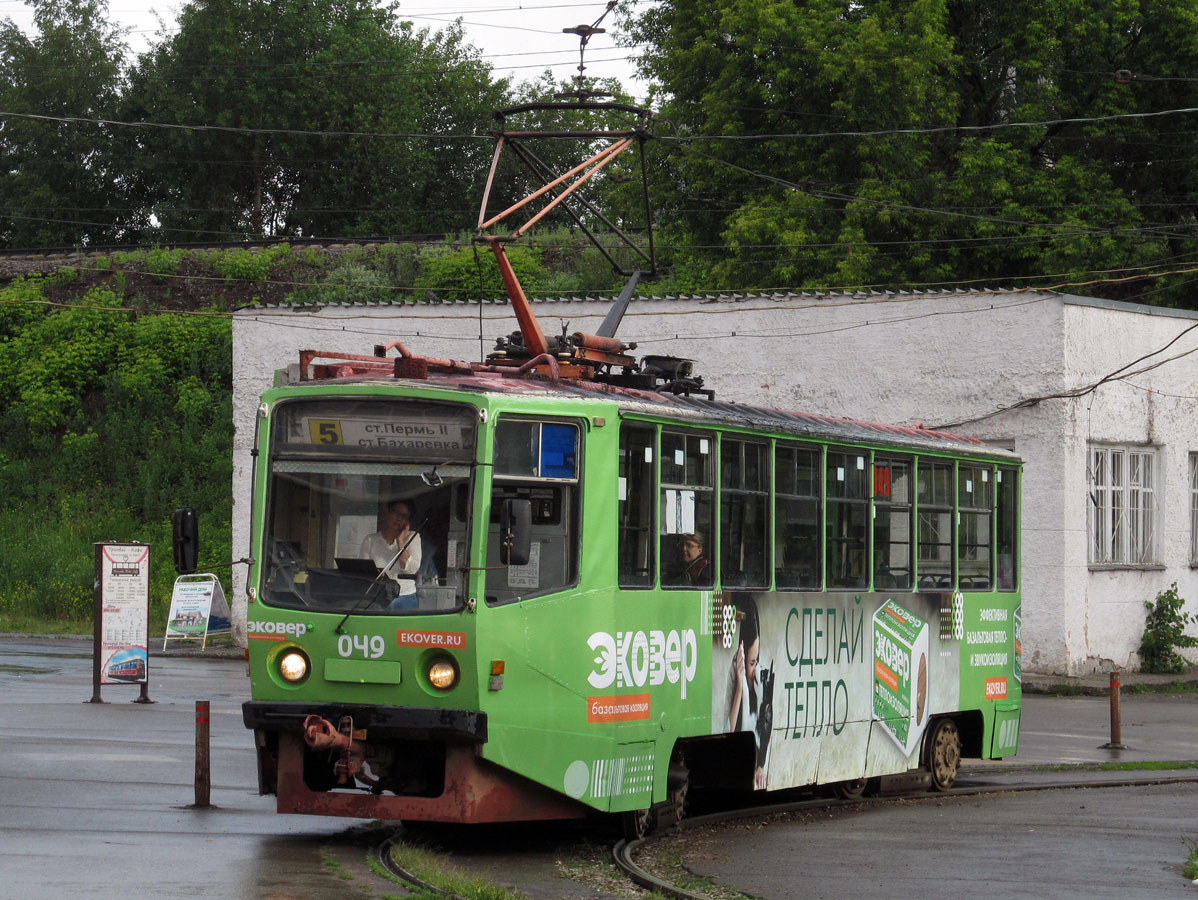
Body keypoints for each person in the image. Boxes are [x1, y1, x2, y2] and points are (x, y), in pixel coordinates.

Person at [728, 595, 772, 789]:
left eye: (757, 661)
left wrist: (760, 766)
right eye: (751, 663)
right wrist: (739, 689)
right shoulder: (736, 678)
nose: (755, 671)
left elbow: (766, 725)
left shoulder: (759, 686)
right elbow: (728, 730)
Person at [360, 499, 422, 609]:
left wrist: (400, 541)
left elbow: (412, 570)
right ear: (387, 512)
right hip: (377, 596)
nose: (399, 518)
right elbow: (363, 571)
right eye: (396, 513)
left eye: (404, 516)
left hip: (405, 596)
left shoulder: (413, 537)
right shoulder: (370, 540)